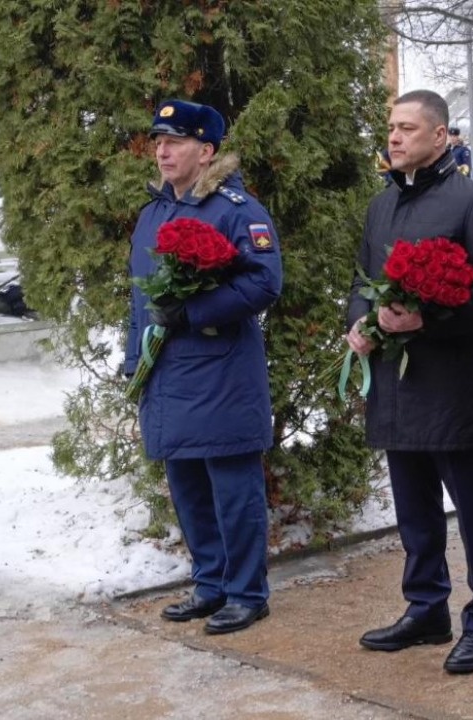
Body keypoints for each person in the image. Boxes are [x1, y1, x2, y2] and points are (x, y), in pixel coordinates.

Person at [346, 89, 473, 675]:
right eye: (391, 127)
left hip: (449, 381)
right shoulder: (381, 205)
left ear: (440, 136)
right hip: (395, 381)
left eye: (408, 129)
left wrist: (432, 317)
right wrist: (360, 323)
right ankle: (426, 606)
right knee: (413, 502)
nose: (394, 138)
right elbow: (362, 279)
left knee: (471, 506)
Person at [125, 99, 283, 635]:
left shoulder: (236, 208)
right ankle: (211, 583)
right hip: (167, 373)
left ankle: (246, 592)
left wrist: (192, 313)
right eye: (158, 142)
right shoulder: (153, 214)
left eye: (175, 141)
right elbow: (138, 302)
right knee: (187, 483)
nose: (162, 151)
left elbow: (264, 282)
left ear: (207, 150)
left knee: (232, 488)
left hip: (220, 370)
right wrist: (134, 366)